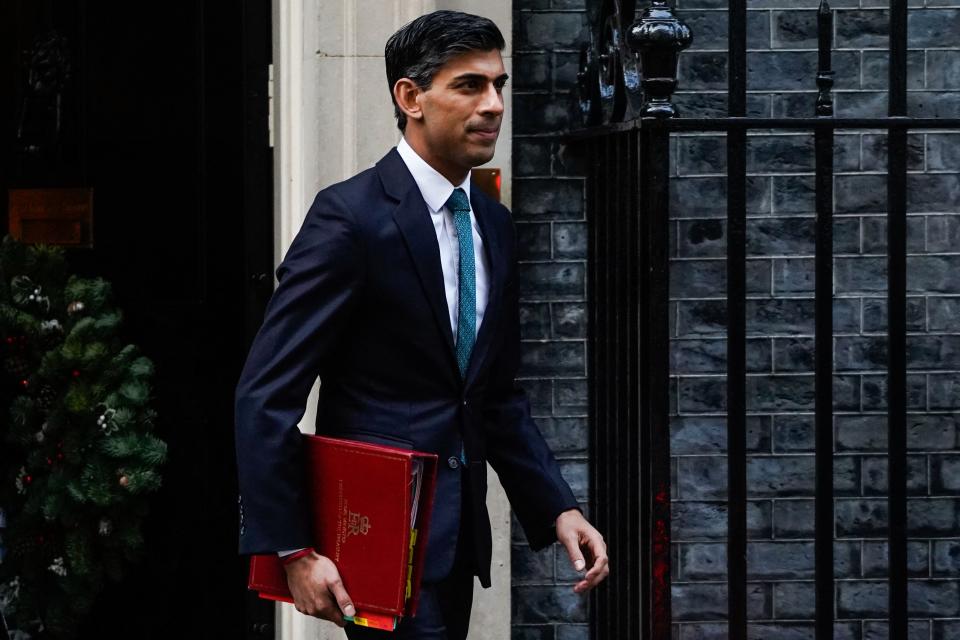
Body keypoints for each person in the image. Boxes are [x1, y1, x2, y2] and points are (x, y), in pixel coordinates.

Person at [234, 10, 608, 639]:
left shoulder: (492, 226)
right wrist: (292, 548)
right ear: (409, 96)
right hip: (374, 541)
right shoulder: (349, 219)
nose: (492, 105)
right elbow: (265, 395)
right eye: (469, 86)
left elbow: (493, 395)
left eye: (499, 85)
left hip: (456, 541)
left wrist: (557, 507)